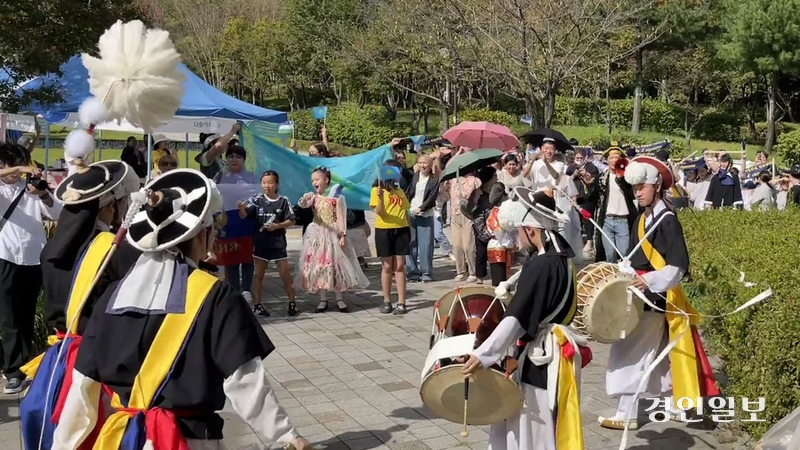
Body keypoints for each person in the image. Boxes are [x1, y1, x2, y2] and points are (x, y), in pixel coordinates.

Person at [50, 168, 311, 450]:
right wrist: (287, 435)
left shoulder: (114, 294)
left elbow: (82, 384)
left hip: (123, 437)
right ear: (204, 234)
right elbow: (245, 380)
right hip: (189, 439)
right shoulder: (215, 295)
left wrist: (62, 444)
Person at [21, 156, 141, 450]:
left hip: (57, 359)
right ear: (108, 206)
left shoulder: (51, 249)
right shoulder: (113, 251)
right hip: (97, 361)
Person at [461, 186, 588, 450]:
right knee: (546, 422)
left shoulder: (542, 264)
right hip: (554, 350)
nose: (517, 239)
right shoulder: (561, 258)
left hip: (542, 356)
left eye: (519, 232)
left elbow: (516, 319)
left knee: (535, 425)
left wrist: (484, 355)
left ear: (531, 229)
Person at [599, 155, 719, 430]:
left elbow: (678, 266)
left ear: (656, 186)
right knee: (663, 356)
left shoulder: (667, 220)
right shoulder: (643, 217)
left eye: (641, 186)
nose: (637, 192)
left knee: (629, 352)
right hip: (645, 294)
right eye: (634, 187)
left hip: (654, 296)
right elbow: (636, 256)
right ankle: (677, 404)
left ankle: (626, 413)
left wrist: (648, 280)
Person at [0, 143, 62, 394]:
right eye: (9, 165)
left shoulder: (31, 191)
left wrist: (44, 194)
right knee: (10, 317)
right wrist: (18, 168)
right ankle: (13, 371)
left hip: (34, 257)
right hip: (5, 257)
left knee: (27, 315)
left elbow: (58, 212)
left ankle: (27, 366)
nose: (15, 172)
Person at [296, 167, 369, 313]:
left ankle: (339, 298)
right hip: (317, 235)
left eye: (317, 179)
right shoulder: (314, 197)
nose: (314, 183)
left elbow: (341, 217)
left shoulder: (337, 197)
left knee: (334, 266)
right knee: (319, 266)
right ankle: (323, 299)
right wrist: (304, 199)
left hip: (332, 235)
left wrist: (343, 235)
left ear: (326, 180)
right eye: (312, 180)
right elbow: (303, 205)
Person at [239, 170, 298, 317]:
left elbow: (292, 220)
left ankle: (292, 302)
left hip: (278, 243)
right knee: (258, 275)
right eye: (264, 183)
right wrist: (241, 210)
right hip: (260, 243)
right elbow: (245, 215)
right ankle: (257, 305)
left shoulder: (283, 200)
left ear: (277, 184)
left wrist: (277, 226)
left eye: (270, 182)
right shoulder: (257, 200)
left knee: (285, 274)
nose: (267, 186)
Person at [370, 161, 412, 314]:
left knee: (400, 267)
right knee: (387, 267)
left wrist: (410, 229)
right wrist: (380, 197)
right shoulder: (376, 190)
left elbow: (406, 211)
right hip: (383, 230)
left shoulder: (399, 191)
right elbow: (379, 211)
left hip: (401, 229)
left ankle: (402, 302)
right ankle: (387, 300)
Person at [218, 145, 258, 304]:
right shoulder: (220, 176)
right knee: (231, 258)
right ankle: (234, 291)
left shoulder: (251, 177)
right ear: (226, 159)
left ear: (243, 160)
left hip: (247, 221)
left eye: (238, 156)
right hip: (228, 221)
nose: (234, 159)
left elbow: (257, 198)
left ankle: (247, 290)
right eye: (231, 156)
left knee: (247, 257)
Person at [586, 143, 637, 263]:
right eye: (611, 158)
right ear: (607, 160)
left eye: (617, 158)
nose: (614, 160)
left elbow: (632, 195)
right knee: (610, 255)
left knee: (624, 253)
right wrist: (587, 188)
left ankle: (625, 277)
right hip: (606, 220)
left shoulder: (628, 178)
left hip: (623, 220)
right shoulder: (601, 179)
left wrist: (621, 179)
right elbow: (592, 198)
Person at [404, 155, 439, 283]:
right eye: (420, 163)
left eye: (425, 163)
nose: (422, 165)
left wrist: (421, 208)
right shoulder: (413, 176)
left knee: (426, 245)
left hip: (425, 214)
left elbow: (432, 196)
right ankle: (412, 272)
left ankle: (427, 273)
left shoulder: (434, 179)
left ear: (430, 165)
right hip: (410, 212)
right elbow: (406, 192)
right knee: (411, 243)